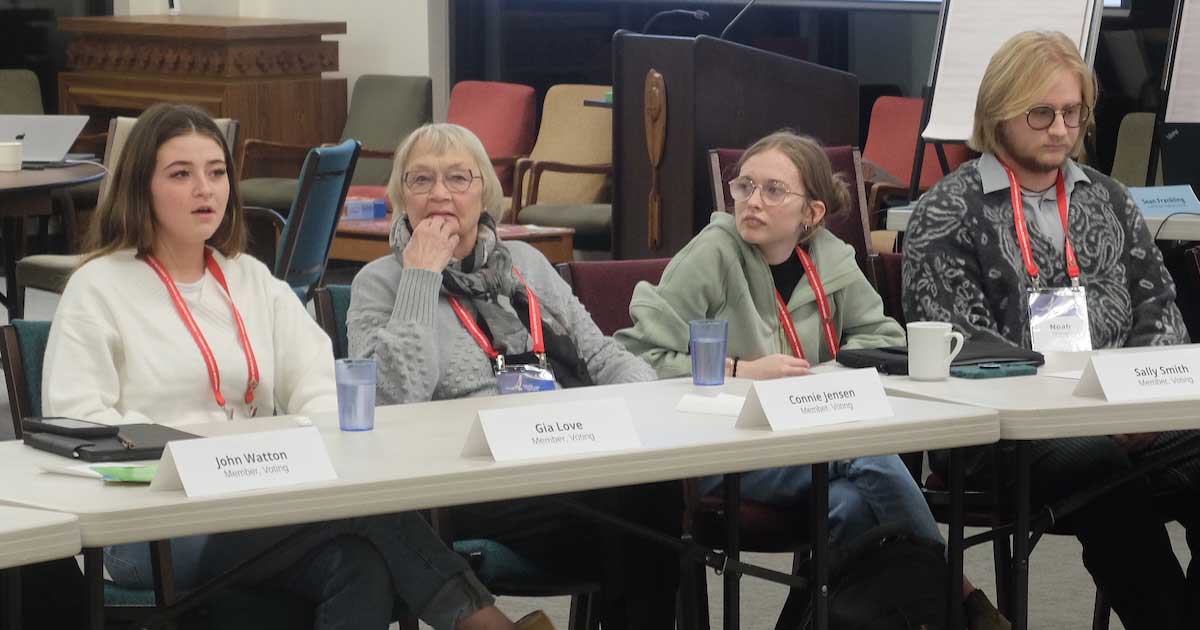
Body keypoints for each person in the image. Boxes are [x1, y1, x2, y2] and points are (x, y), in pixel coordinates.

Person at [41, 103, 547, 630]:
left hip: (260, 500)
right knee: (366, 510)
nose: (205, 190)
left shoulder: (249, 279)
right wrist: (187, 464)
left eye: (217, 173)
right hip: (149, 524)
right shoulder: (98, 287)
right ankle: (489, 626)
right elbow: (81, 426)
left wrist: (307, 446)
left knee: (360, 566)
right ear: (139, 188)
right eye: (181, 174)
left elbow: (319, 385)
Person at [615, 130, 1007, 629]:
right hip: (721, 448)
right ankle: (962, 596)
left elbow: (881, 337)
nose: (753, 201)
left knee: (847, 507)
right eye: (745, 187)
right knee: (865, 452)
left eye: (773, 190)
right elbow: (634, 354)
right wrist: (739, 372)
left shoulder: (830, 257)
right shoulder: (714, 252)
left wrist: (828, 374)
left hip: (809, 442)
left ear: (812, 214)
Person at [902, 30, 1199, 630]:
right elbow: (967, 351)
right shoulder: (947, 211)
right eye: (1042, 113)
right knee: (1099, 469)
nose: (1060, 129)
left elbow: (1160, 311)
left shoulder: (1111, 200)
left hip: (1127, 421)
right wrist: (1086, 411)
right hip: (1006, 437)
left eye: (1073, 112)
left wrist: (1133, 404)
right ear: (999, 112)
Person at [347, 123, 680, 629]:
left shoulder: (524, 263)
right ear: (401, 197)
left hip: (563, 459)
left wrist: (640, 409)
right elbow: (396, 400)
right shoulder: (379, 283)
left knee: (653, 492)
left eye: (458, 178)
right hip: (470, 484)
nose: (440, 194)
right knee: (635, 517)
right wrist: (421, 276)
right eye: (421, 181)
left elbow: (601, 354)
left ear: (484, 192)